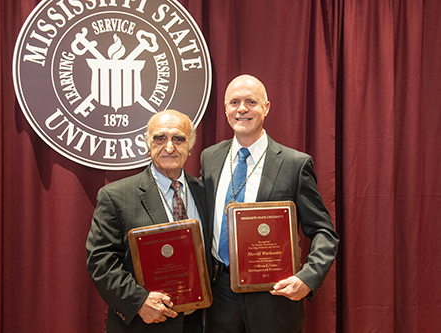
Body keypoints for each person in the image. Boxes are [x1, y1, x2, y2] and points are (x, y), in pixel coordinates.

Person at [200, 75, 339, 333]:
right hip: (219, 300)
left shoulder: (295, 164)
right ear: (225, 109)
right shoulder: (210, 158)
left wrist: (307, 278)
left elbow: (324, 232)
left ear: (266, 107)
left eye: (251, 101)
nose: (242, 109)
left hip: (274, 299)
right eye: (234, 102)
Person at [86, 109, 208, 333]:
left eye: (178, 139)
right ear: (147, 144)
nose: (169, 147)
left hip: (196, 324)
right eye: (160, 138)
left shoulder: (204, 192)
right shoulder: (116, 195)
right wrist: (138, 302)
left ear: (190, 146)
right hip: (143, 324)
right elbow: (100, 261)